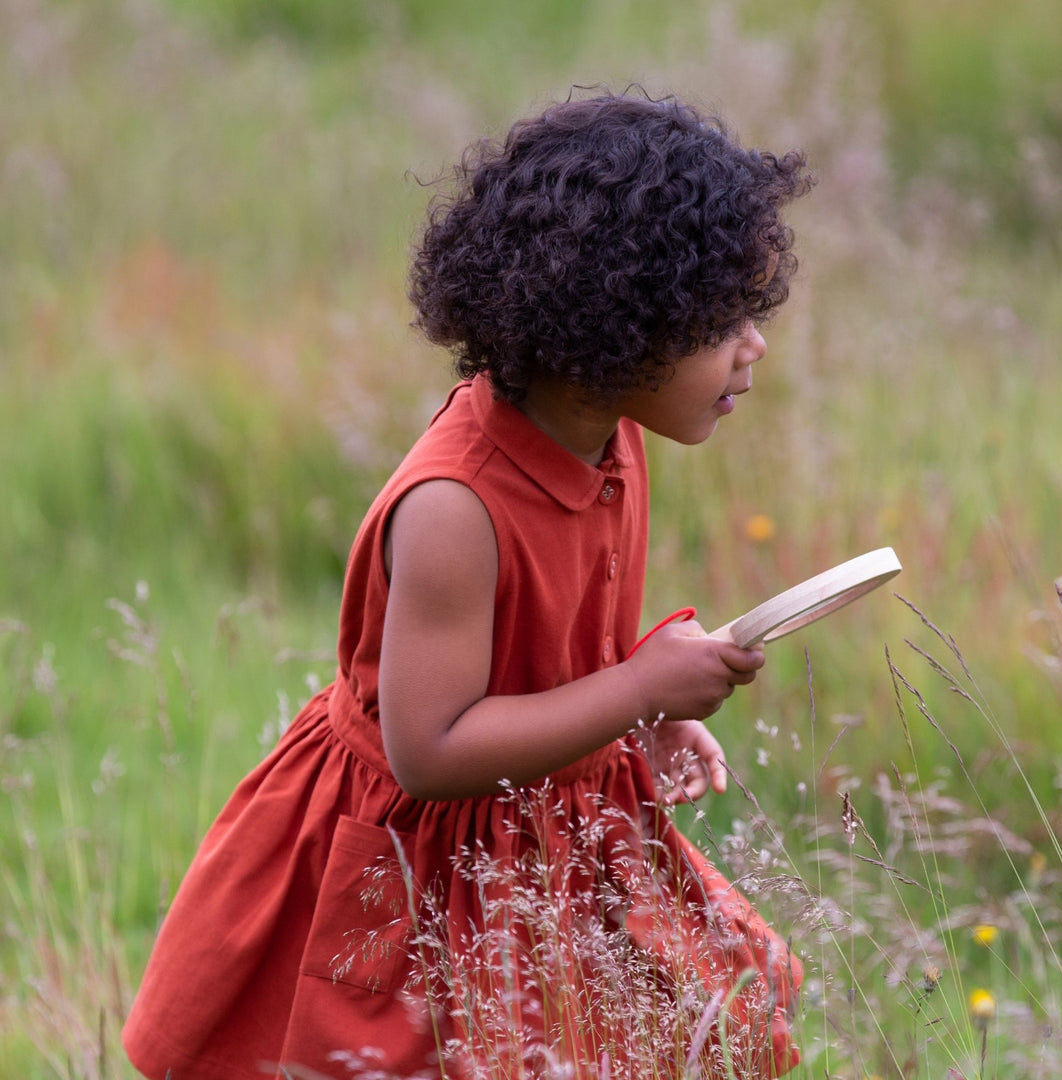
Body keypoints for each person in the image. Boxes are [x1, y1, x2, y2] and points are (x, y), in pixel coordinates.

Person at [123, 88, 813, 1080]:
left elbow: (544, 653)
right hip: (420, 864)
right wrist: (636, 691)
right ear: (615, 326)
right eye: (722, 319)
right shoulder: (456, 508)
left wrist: (634, 709)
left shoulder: (609, 436)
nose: (754, 345)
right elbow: (430, 751)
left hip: (545, 833)